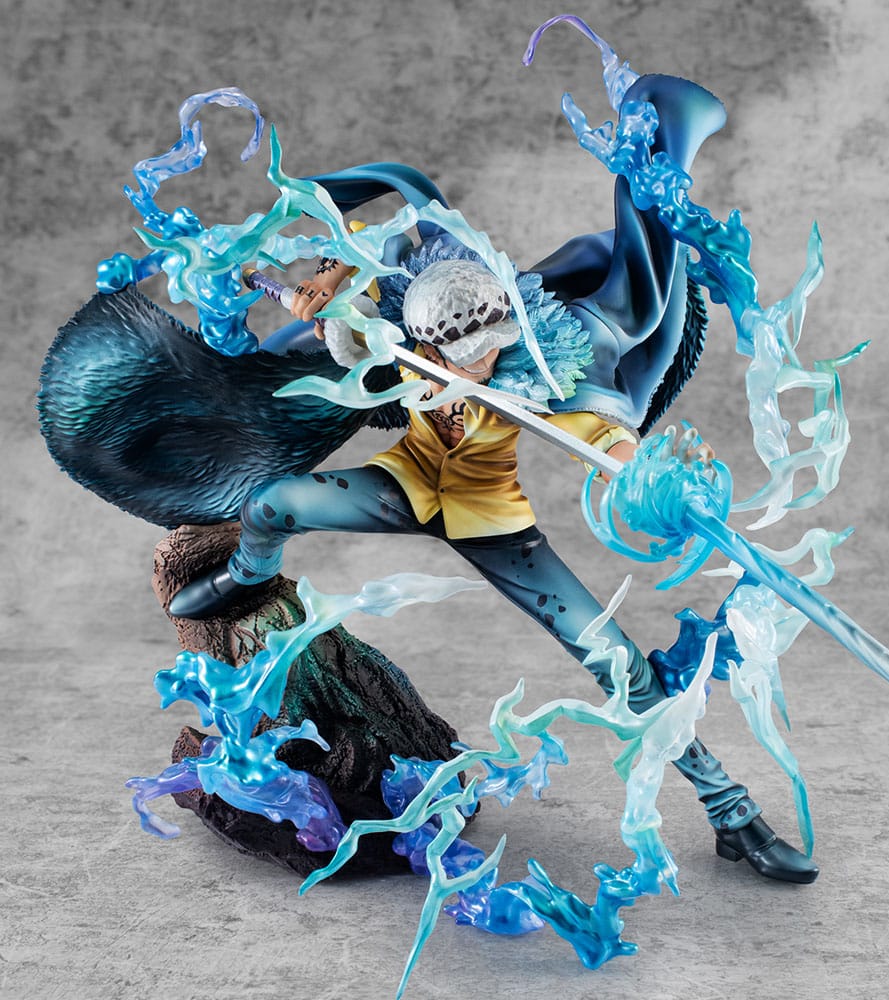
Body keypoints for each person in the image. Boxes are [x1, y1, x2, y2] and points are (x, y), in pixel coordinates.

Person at [170, 253, 819, 884]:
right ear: (428, 340)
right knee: (271, 505)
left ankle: (729, 810)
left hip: (491, 519)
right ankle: (248, 575)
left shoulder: (535, 365)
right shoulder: (402, 332)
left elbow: (596, 430)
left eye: (490, 346)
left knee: (616, 660)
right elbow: (360, 249)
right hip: (404, 486)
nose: (482, 361)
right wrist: (328, 288)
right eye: (466, 353)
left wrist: (639, 470)